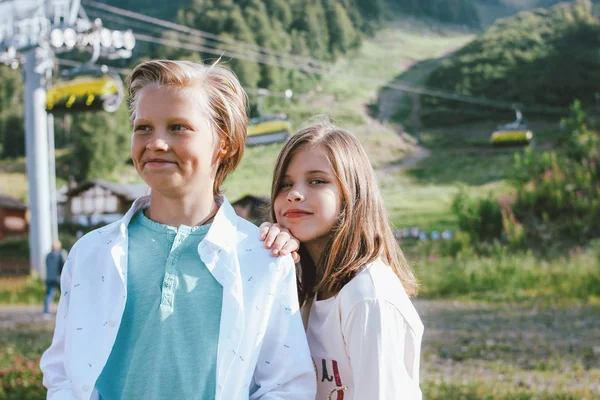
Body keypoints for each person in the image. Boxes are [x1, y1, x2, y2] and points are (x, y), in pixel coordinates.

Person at [40, 59, 316, 400]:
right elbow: (62, 373)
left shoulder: (264, 258)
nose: (155, 142)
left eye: (178, 127)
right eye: (143, 128)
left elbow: (285, 386)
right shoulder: (90, 253)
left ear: (224, 143)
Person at [261, 119, 424, 399]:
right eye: (285, 184)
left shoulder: (368, 297)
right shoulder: (308, 287)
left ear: (352, 195)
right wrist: (267, 259)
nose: (295, 195)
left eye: (317, 181)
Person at [43, 240, 68, 318]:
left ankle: (46, 312)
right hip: (58, 278)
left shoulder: (48, 255)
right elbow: (63, 266)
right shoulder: (60, 254)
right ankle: (66, 311)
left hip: (49, 278)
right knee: (65, 294)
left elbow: (47, 265)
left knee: (48, 296)